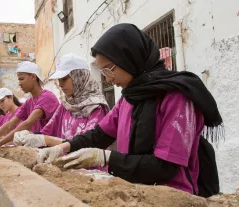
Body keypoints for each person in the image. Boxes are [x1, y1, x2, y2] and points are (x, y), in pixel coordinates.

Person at [37, 23, 223, 195]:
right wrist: (62, 147)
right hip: (134, 188)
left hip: (170, 195)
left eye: (109, 70)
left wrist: (105, 158)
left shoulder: (177, 98)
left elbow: (165, 167)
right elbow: (98, 135)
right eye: (103, 72)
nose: (108, 79)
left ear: (129, 58)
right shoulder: (128, 99)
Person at [13, 53, 109, 148]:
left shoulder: (96, 108)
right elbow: (48, 131)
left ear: (79, 76)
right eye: (59, 80)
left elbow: (88, 145)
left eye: (64, 79)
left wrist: (47, 140)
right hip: (65, 162)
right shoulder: (66, 105)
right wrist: (29, 136)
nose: (60, 84)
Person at [0, 61, 59, 149]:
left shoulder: (47, 97)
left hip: (52, 148)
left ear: (33, 77)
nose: (19, 83)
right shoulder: (29, 102)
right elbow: (9, 125)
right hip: (39, 148)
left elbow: (28, 123)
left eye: (22, 79)